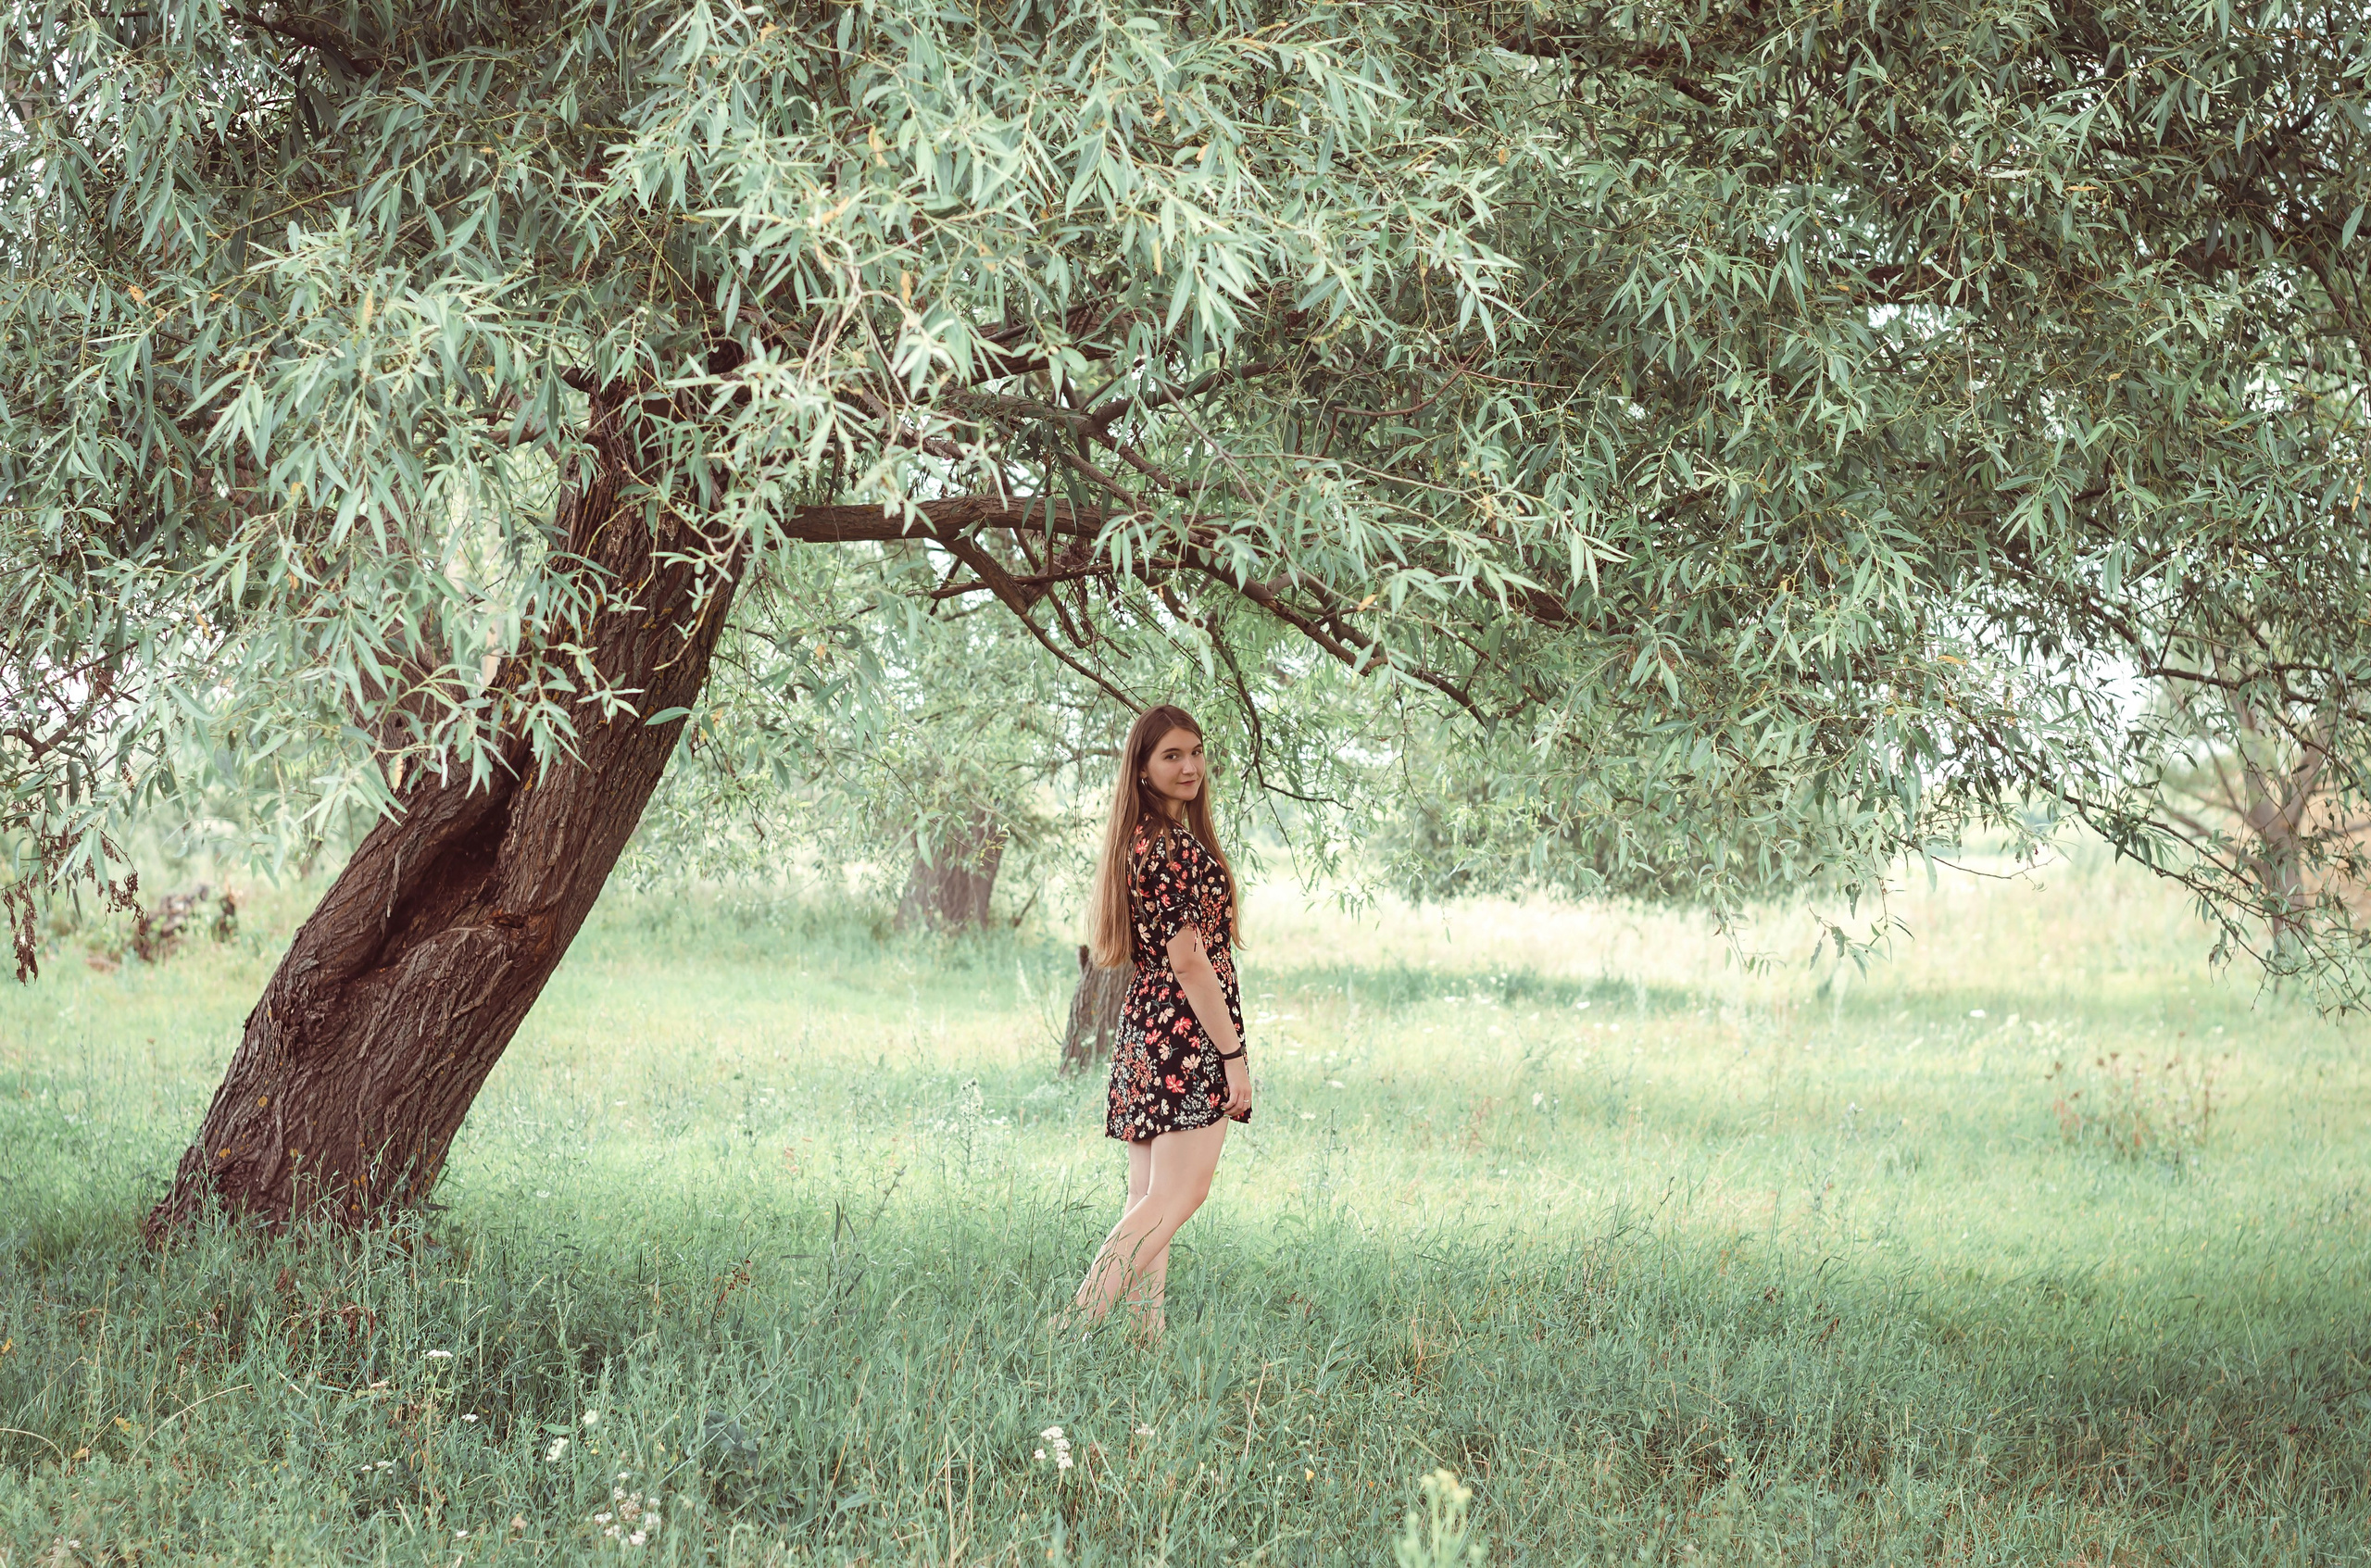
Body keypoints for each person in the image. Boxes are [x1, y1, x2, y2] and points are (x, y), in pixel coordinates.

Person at [1070, 704, 1252, 1336]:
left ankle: (1145, 1339)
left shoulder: (1146, 836)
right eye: (1171, 755)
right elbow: (1190, 958)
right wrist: (1233, 1057)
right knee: (1179, 1195)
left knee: (1150, 1198)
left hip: (1150, 1027)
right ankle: (1071, 1328)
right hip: (1185, 1034)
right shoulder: (1167, 844)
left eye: (1195, 751)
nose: (1190, 766)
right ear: (1142, 769)